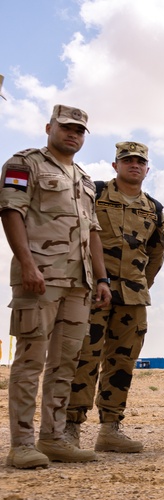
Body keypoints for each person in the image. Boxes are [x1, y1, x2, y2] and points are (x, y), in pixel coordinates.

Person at [1, 104, 112, 468]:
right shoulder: (24, 164)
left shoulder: (83, 178)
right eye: (66, 127)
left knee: (66, 363)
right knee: (31, 359)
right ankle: (22, 443)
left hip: (78, 284)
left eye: (80, 131)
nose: (73, 134)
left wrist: (101, 277)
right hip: (40, 279)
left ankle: (53, 437)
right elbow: (11, 211)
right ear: (49, 127)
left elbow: (92, 231)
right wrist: (29, 265)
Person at [65, 141, 164, 455]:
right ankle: (70, 427)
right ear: (115, 166)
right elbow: (78, 233)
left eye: (140, 161)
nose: (134, 165)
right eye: (127, 160)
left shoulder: (154, 209)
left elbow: (157, 252)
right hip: (94, 291)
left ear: (147, 169)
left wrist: (141, 283)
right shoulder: (95, 194)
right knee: (85, 356)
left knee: (122, 363)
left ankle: (111, 429)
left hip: (133, 298)